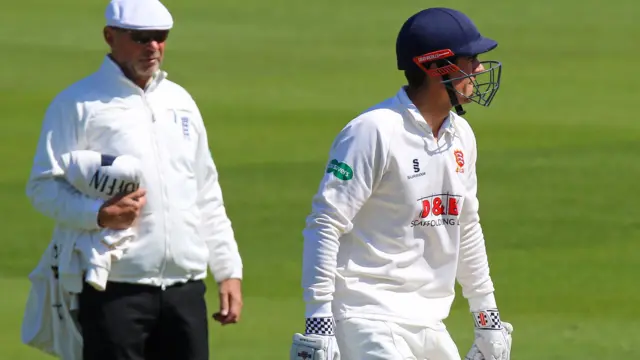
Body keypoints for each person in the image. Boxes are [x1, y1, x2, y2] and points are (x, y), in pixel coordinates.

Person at [290, 7, 513, 360]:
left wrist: (487, 317)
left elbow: (466, 226)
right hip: (367, 318)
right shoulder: (374, 131)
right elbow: (325, 223)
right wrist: (318, 319)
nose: (480, 69)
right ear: (434, 66)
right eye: (469, 60)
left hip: (430, 321)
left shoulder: (461, 136)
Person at [24, 0, 243, 359]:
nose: (153, 47)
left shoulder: (181, 102)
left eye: (160, 37)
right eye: (141, 38)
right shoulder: (77, 104)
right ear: (110, 36)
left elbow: (205, 192)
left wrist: (228, 269)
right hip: (113, 288)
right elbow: (43, 186)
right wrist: (98, 214)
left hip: (184, 289)